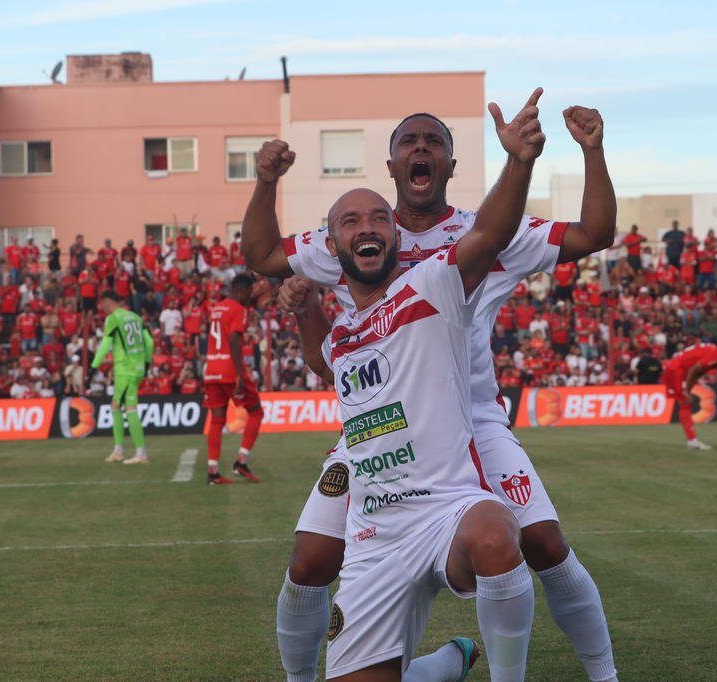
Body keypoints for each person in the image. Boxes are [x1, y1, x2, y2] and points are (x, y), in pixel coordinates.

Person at [246, 97, 618, 680]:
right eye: (408, 143)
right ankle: (426, 662)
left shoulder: (479, 236)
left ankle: (604, 675)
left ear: (449, 163)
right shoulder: (356, 230)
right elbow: (264, 258)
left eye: (433, 142)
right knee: (312, 556)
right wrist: (268, 193)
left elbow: (595, 232)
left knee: (539, 542)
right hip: (378, 423)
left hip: (468, 417)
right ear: (391, 166)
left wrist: (588, 152)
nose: (420, 149)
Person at [286, 105, 541, 681]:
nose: (367, 226)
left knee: (497, 535)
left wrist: (518, 162)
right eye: (350, 221)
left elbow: (491, 234)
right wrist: (305, 310)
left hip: (445, 511)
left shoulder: (431, 286)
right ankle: (452, 660)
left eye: (379, 217)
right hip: (373, 537)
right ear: (333, 244)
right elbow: (321, 359)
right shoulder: (347, 333)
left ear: (396, 234)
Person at [202, 274, 265, 485]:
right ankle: (241, 461)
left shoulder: (215, 308)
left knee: (217, 420)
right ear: (241, 289)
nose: (250, 296)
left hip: (211, 369)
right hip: (229, 369)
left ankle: (213, 472)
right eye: (250, 292)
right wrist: (239, 373)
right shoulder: (238, 309)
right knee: (256, 412)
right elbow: (233, 338)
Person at [91, 290, 153, 464]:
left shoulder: (113, 319)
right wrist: (146, 363)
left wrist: (94, 366)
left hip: (125, 369)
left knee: (130, 408)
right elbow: (149, 342)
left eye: (102, 304)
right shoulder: (135, 316)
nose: (101, 308)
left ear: (107, 302)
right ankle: (119, 450)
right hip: (137, 367)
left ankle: (141, 453)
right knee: (116, 405)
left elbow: (105, 345)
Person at [662, 342, 717, 450]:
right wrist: (686, 390)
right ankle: (692, 440)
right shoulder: (714, 356)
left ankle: (692, 440)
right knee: (685, 402)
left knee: (685, 402)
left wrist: (688, 391)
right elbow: (693, 370)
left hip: (675, 368)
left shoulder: (713, 358)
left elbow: (696, 374)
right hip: (677, 369)